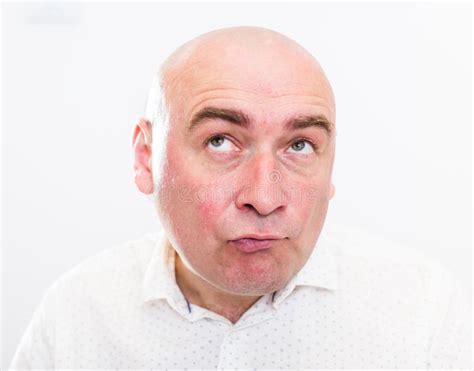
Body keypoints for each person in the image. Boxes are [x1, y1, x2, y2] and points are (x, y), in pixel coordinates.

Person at [9, 26, 471, 369]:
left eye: (300, 145)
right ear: (146, 159)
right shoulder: (76, 316)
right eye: (220, 141)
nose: (265, 198)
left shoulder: (424, 315)